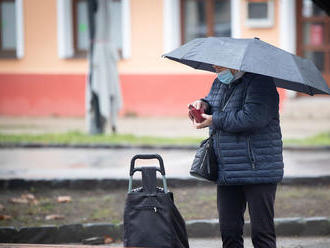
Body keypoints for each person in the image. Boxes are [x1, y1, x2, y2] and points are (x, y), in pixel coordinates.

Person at [188, 65, 284, 248]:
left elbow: (252, 118)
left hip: (258, 169)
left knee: (262, 234)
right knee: (229, 231)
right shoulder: (219, 82)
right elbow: (213, 103)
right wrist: (202, 105)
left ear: (235, 63)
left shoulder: (261, 82)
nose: (216, 67)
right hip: (227, 168)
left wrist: (214, 119)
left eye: (220, 64)